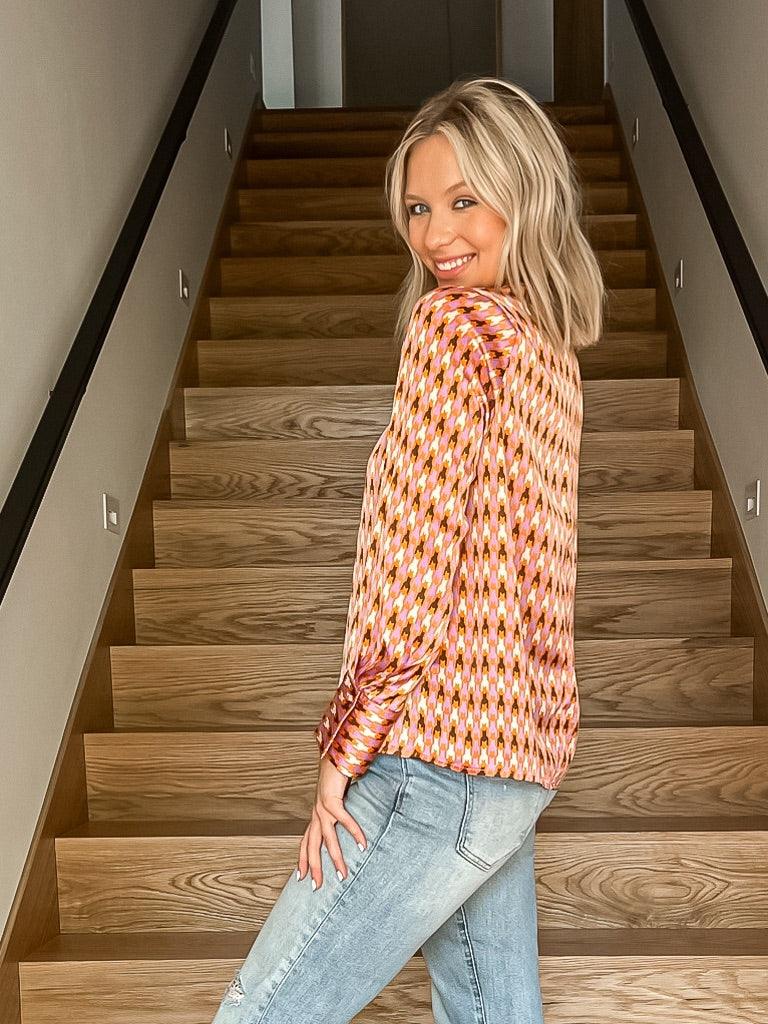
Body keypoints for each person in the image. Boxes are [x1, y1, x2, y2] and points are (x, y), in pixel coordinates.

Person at [211, 75, 604, 1024]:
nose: (436, 236)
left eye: (464, 200)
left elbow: (412, 565)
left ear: (525, 194)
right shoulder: (549, 352)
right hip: (512, 766)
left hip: (433, 757)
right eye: (420, 209)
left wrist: (344, 747)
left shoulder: (452, 327)